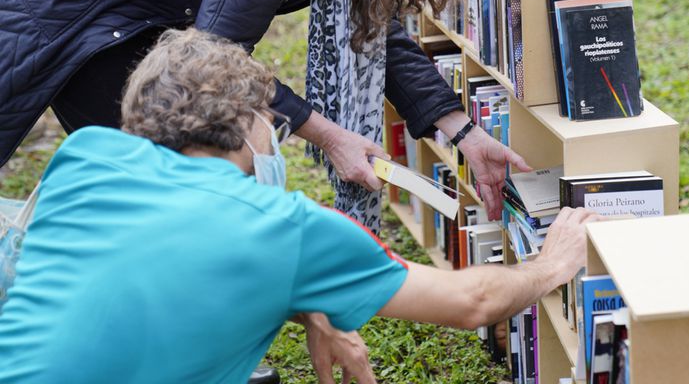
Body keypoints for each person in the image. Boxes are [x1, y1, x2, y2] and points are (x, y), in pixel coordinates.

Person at [0, 29, 599, 384]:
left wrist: (310, 302)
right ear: (245, 123)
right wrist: (551, 263)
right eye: (273, 122)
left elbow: (162, 262)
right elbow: (474, 301)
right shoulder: (288, 230)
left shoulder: (85, 154)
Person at [0, 0, 530, 233]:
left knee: (171, 172)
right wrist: (326, 132)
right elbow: (215, 60)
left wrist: (464, 131)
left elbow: (374, 26)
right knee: (189, 160)